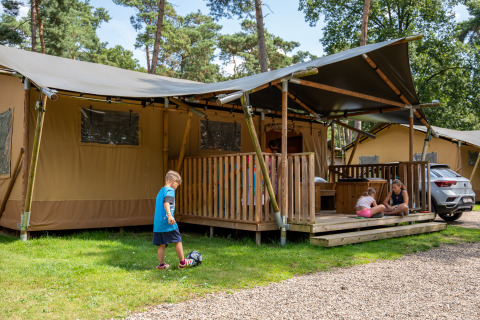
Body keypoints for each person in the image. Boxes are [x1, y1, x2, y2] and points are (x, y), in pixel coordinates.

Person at [153, 170, 194, 270]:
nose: (177, 187)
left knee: (161, 244)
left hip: (158, 224)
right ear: (174, 181)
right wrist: (170, 215)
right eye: (178, 184)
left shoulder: (161, 191)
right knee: (178, 240)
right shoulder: (170, 191)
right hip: (168, 222)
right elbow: (167, 202)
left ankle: (161, 265)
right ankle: (183, 262)